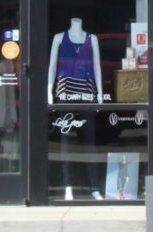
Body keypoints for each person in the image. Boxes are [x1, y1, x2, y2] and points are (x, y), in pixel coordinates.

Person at [46, 17, 103, 201]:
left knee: (90, 142)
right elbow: (52, 66)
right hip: (65, 92)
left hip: (86, 91)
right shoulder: (59, 38)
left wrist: (100, 93)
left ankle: (94, 187)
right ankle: (68, 186)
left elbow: (97, 67)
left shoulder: (92, 39)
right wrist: (49, 91)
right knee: (66, 143)